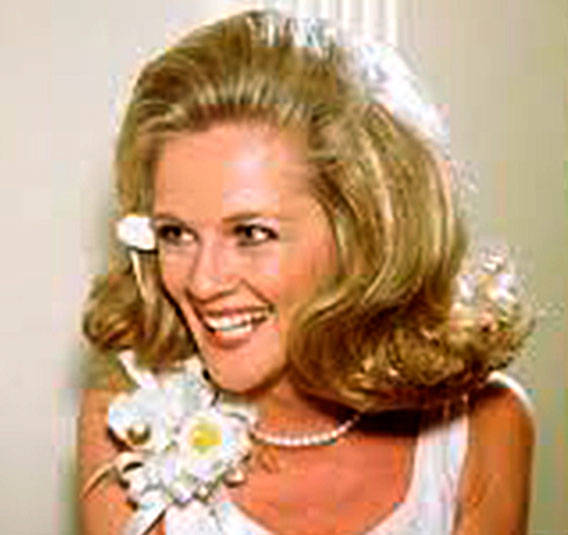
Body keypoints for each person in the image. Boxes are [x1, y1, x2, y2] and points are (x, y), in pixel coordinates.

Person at [78, 9, 536, 535]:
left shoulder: (482, 427)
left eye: (251, 233)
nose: (202, 282)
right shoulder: (127, 426)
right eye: (176, 233)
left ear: (364, 231)